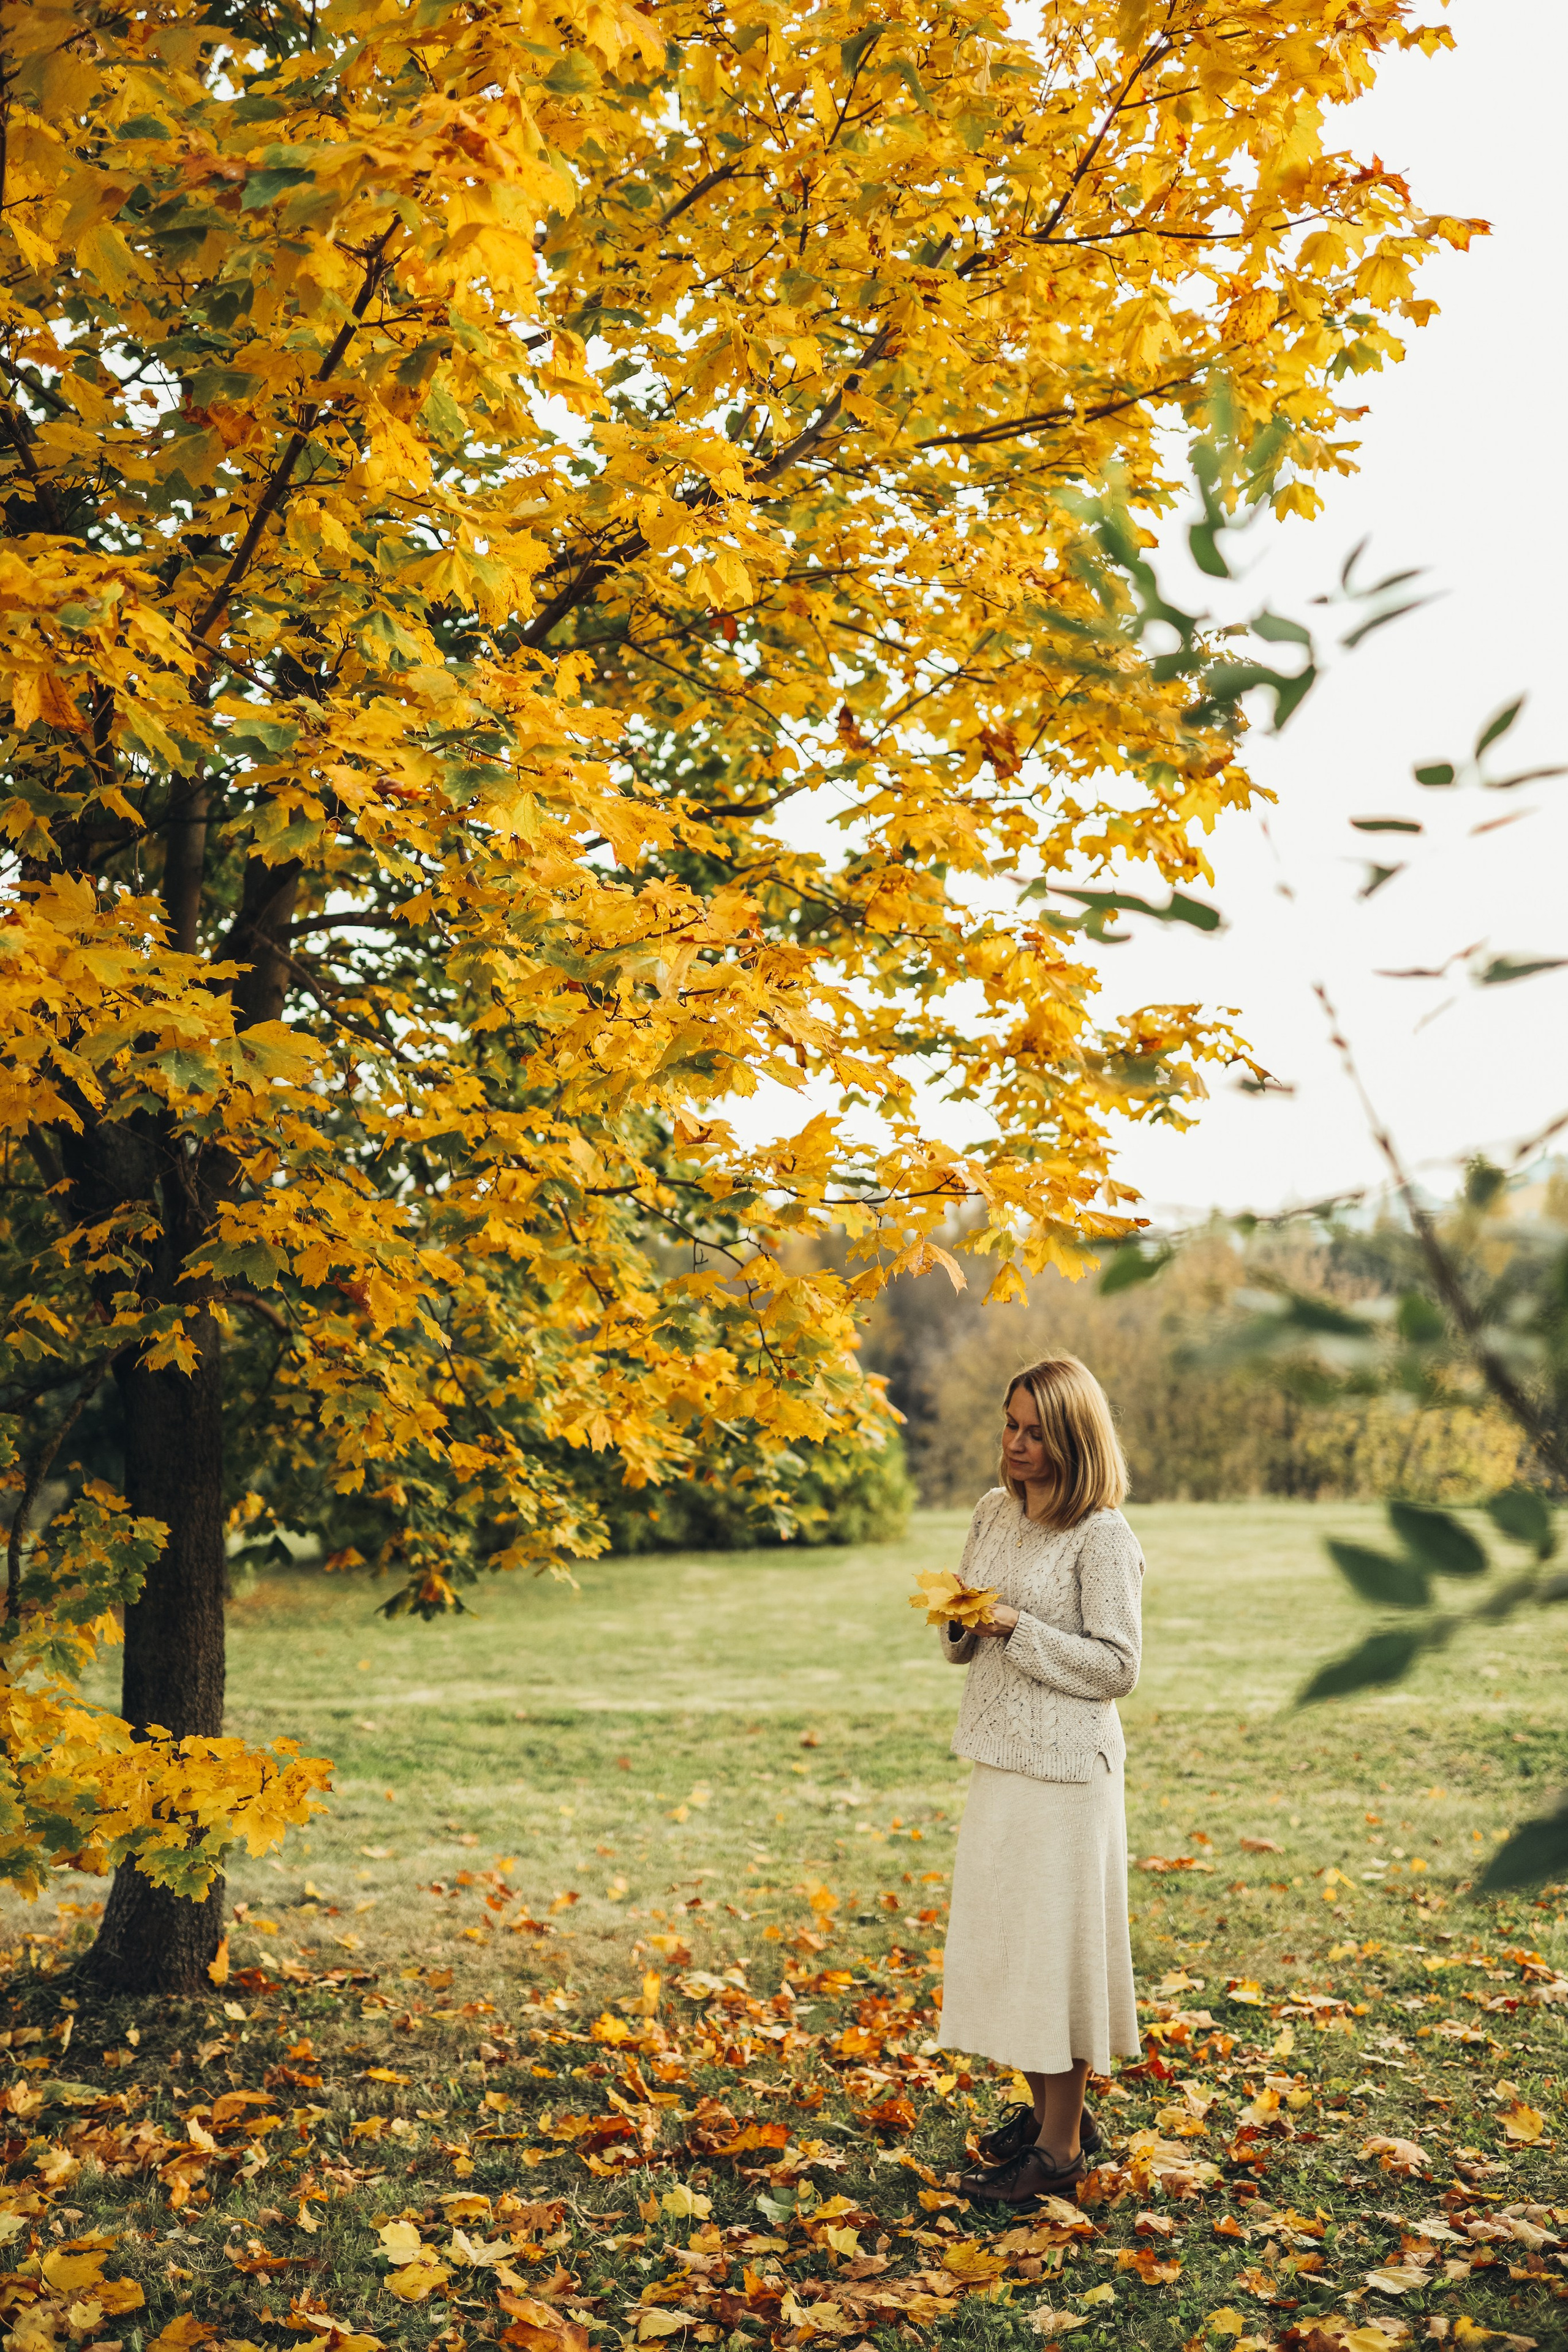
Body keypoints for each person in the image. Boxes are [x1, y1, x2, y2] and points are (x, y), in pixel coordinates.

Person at [935, 1354, 1144, 2212]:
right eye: (1010, 1425)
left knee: (1056, 1955)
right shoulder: (994, 1511)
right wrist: (959, 1623)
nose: (1014, 1444)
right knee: (1011, 1949)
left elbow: (1118, 1667)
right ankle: (1052, 2115)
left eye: (1034, 1431)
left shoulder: (1102, 1536)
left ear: (1071, 1439)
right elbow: (969, 1630)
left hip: (1068, 1777)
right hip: (1001, 1758)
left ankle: (1059, 2151)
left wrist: (1017, 1626)